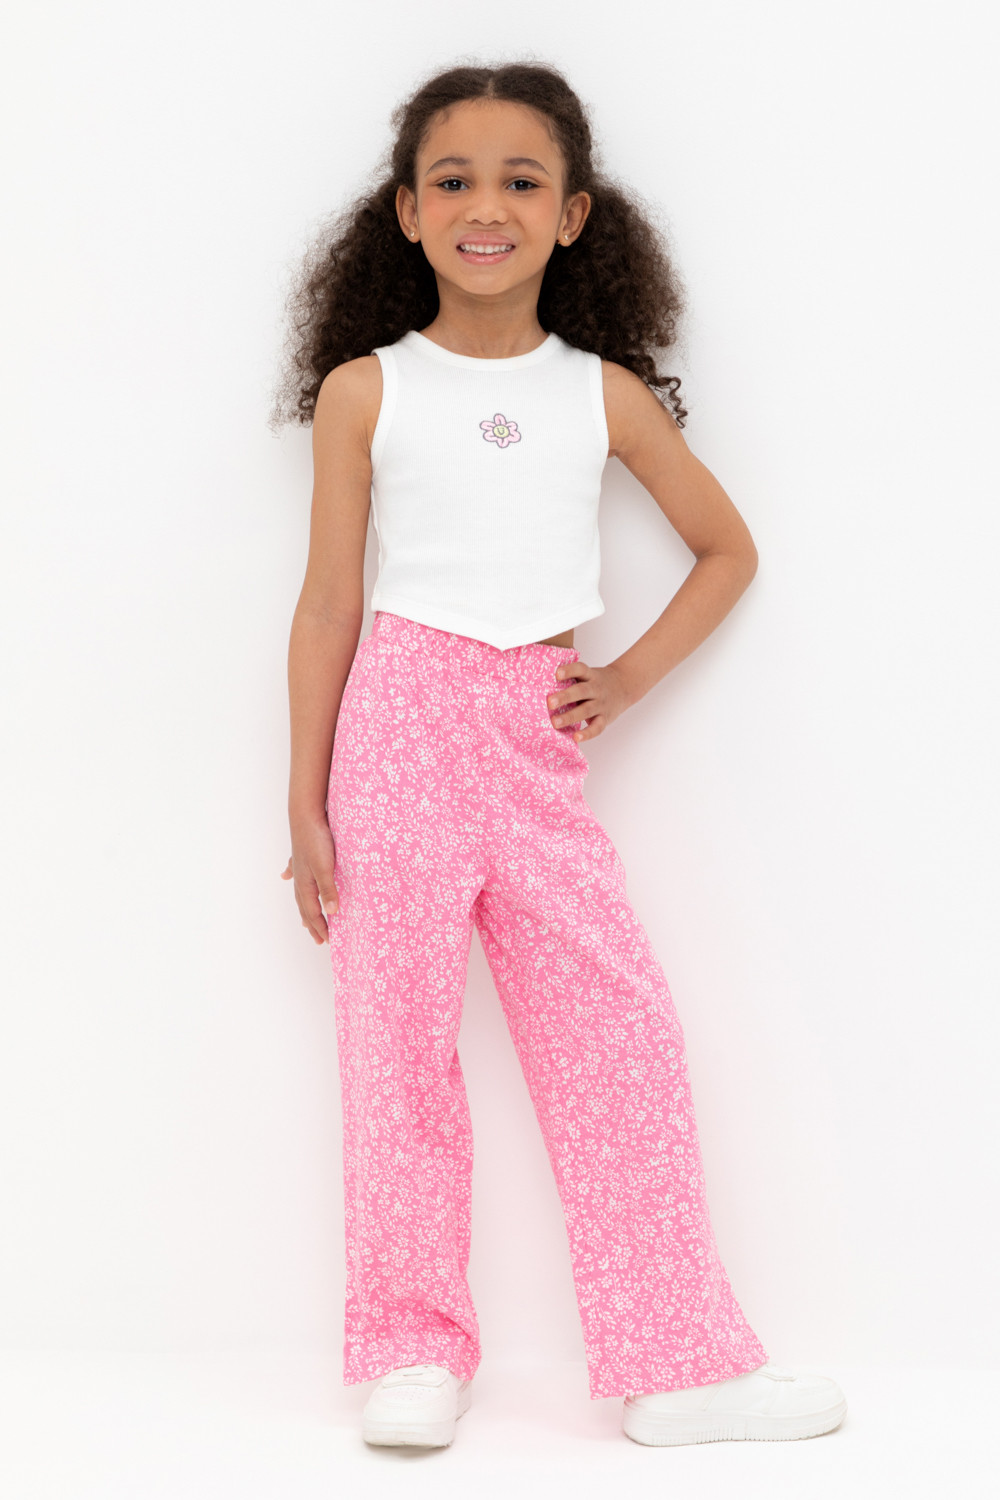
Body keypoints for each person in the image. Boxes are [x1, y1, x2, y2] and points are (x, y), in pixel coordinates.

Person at [274, 60, 847, 1451]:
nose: (488, 207)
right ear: (408, 212)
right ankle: (414, 1351)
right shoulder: (366, 391)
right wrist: (304, 801)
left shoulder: (603, 395)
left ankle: (676, 1365)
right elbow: (332, 603)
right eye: (454, 181)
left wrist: (625, 679)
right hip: (398, 726)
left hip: (533, 729)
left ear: (575, 213)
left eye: (522, 181)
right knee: (398, 1051)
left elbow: (728, 550)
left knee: (620, 1040)